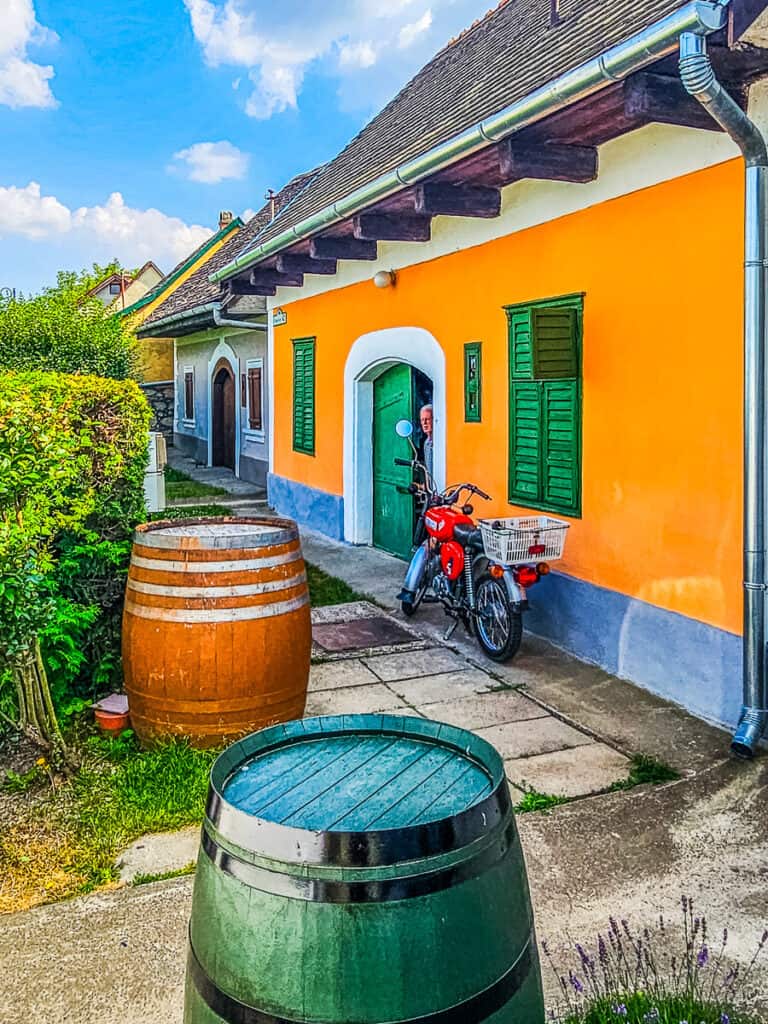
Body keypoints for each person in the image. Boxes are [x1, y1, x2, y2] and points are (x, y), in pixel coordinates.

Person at [417, 404, 433, 479]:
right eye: (422, 420)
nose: (424, 423)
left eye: (427, 419)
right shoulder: (426, 443)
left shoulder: (440, 442)